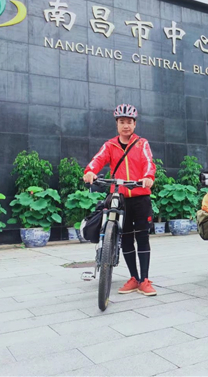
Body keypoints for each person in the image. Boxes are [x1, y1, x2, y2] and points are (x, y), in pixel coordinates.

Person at [83, 104, 157, 296]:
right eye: (122, 122)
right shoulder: (110, 145)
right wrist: (90, 171)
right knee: (125, 239)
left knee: (142, 237)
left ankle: (145, 279)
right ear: (117, 124)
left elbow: (148, 162)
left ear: (134, 124)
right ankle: (133, 278)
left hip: (140, 197)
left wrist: (148, 176)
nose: (126, 125)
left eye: (129, 122)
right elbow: (98, 160)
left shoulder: (142, 144)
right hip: (119, 197)